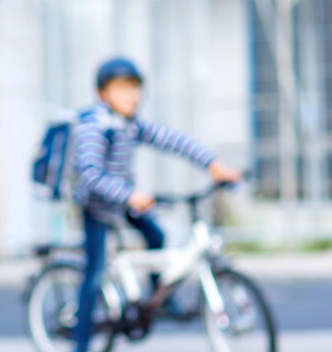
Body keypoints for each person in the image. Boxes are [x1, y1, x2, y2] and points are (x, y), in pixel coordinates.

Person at [72, 57, 240, 351]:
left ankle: (157, 298)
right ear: (103, 94)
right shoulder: (93, 126)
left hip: (122, 201)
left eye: (136, 89)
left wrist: (213, 164)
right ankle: (80, 344)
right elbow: (90, 174)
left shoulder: (130, 124)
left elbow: (173, 141)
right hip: (97, 207)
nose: (132, 96)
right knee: (95, 273)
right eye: (123, 89)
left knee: (156, 236)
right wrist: (130, 194)